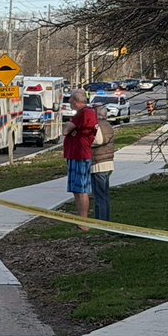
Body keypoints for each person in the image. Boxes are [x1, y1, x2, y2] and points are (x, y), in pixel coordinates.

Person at [62, 89, 98, 231]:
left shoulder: (84, 114)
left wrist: (70, 127)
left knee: (82, 189)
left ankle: (84, 221)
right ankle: (80, 220)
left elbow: (65, 130)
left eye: (71, 100)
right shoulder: (82, 114)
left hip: (81, 155)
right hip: (74, 154)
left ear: (77, 101)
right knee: (76, 189)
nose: (69, 102)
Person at [91, 106, 116, 222]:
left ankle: (101, 221)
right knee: (104, 195)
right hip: (108, 163)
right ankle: (104, 219)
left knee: (99, 196)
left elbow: (98, 141)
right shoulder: (108, 125)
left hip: (98, 164)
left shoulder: (99, 126)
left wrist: (86, 143)